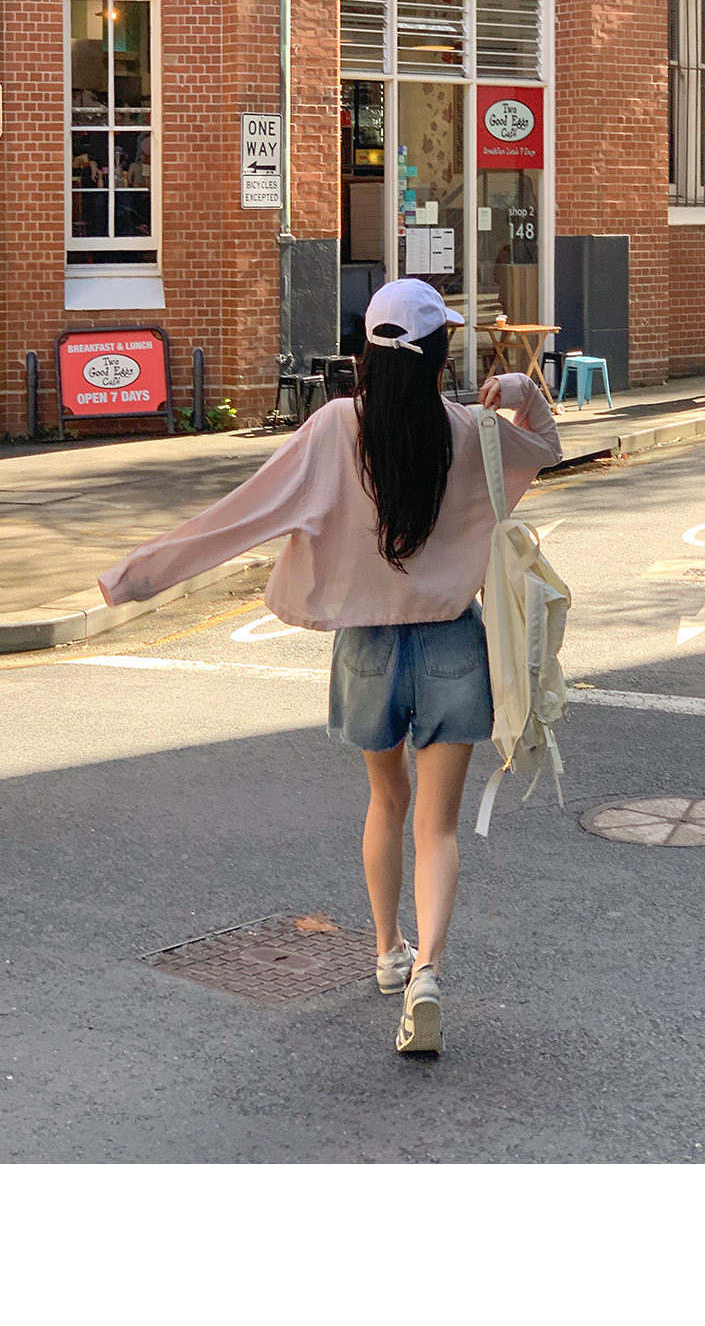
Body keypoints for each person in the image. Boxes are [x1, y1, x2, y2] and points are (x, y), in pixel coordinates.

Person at [98, 279, 562, 1056]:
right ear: (439, 356)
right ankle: (427, 972)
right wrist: (519, 389)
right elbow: (546, 445)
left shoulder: (332, 428)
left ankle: (386, 950)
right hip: (453, 643)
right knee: (437, 827)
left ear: (366, 355)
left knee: (386, 800)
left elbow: (239, 516)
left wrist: (134, 575)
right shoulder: (473, 431)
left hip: (368, 650)